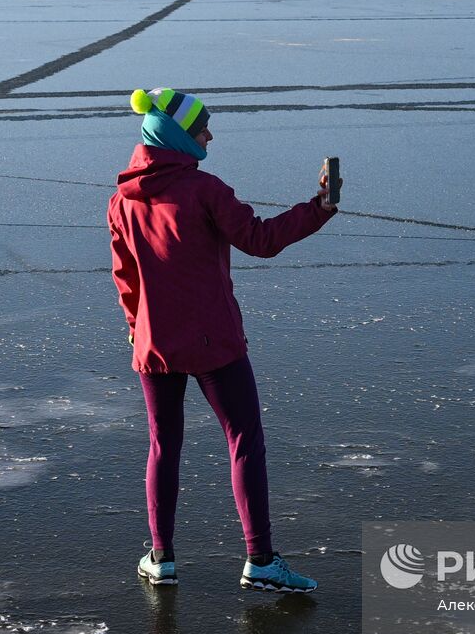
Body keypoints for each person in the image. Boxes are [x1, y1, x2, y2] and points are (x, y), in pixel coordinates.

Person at [107, 87, 339, 593]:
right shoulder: (204, 189)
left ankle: (161, 558)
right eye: (201, 128)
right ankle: (260, 560)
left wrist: (135, 329)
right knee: (244, 442)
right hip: (215, 344)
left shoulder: (120, 202)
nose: (210, 135)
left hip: (154, 345)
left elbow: (125, 279)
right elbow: (260, 240)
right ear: (176, 135)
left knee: (163, 446)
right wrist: (318, 209)